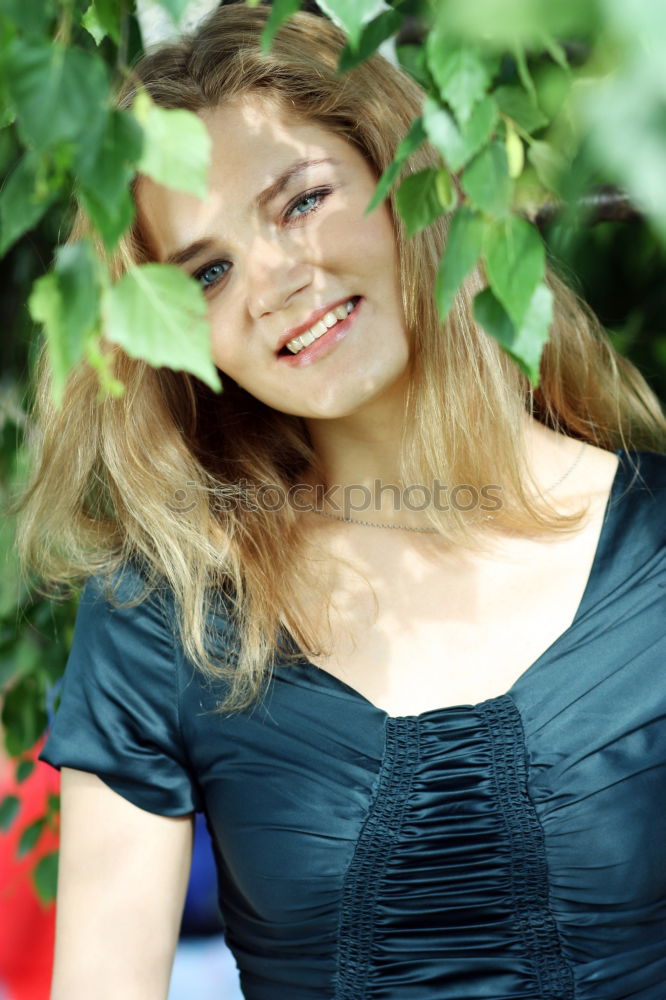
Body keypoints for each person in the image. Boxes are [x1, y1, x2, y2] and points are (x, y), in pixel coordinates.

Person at [13, 4, 666, 998]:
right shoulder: (171, 613)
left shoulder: (655, 548)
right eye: (211, 271)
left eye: (301, 201)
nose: (276, 279)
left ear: (406, 178)